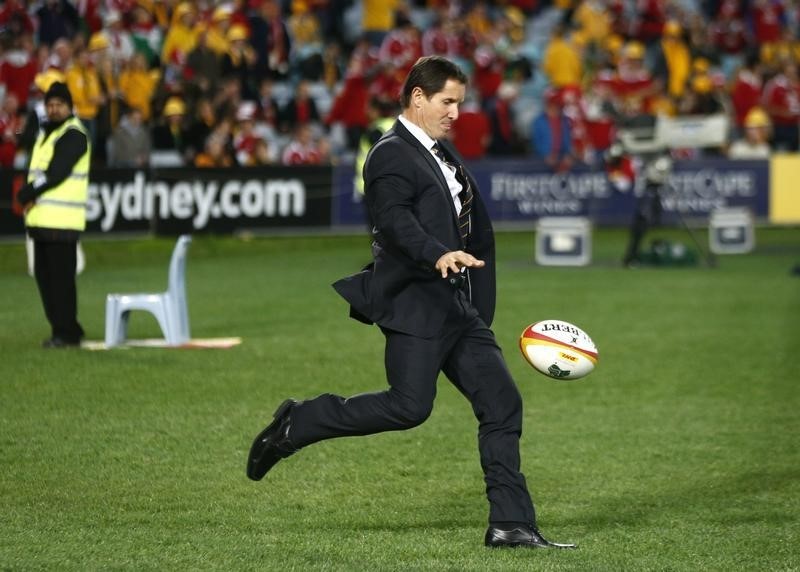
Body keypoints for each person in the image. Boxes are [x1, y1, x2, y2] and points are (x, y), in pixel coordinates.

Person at [246, 56, 576, 550]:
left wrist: (477, 310)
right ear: (417, 97)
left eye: (460, 103)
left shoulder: (442, 153)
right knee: (409, 407)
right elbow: (394, 223)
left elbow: (475, 230)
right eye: (448, 102)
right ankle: (299, 421)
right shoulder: (389, 154)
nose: (455, 113)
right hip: (416, 305)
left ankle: (511, 523)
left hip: (457, 309)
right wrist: (437, 253)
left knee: (502, 402)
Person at [15, 82, 90, 348]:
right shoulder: (46, 133)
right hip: (41, 219)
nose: (54, 109)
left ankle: (67, 332)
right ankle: (62, 329)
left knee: (60, 280)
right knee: (46, 278)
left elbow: (57, 172)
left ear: (70, 107)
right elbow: (21, 143)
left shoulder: (74, 134)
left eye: (59, 104)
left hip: (62, 222)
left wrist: (28, 191)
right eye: (50, 104)